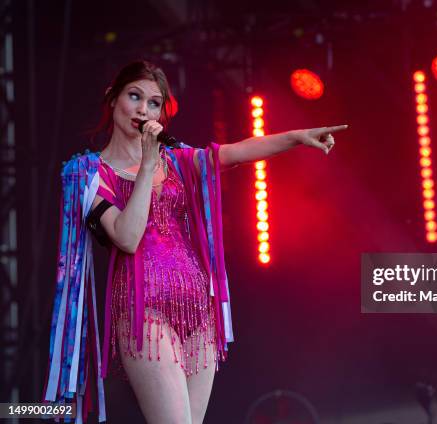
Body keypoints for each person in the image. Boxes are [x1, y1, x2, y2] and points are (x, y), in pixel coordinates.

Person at [42, 60, 347, 423]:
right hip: (144, 313)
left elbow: (235, 152)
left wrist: (296, 138)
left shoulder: (179, 161)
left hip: (197, 310)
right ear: (112, 99)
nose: (143, 109)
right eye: (134, 97)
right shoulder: (88, 173)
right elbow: (127, 236)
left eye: (154, 103)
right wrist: (146, 163)